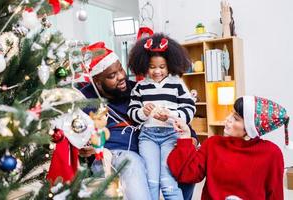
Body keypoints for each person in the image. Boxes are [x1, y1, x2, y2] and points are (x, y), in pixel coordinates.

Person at [78, 41, 197, 200]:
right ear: (97, 82)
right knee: (132, 162)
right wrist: (87, 147)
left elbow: (178, 116)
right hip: (113, 155)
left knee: (185, 165)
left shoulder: (138, 89)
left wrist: (192, 138)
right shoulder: (84, 99)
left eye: (120, 69)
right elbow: (73, 132)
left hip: (151, 144)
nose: (121, 77)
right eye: (112, 76)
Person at [168, 96, 290, 200]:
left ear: (250, 128)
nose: (228, 119)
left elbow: (275, 195)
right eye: (231, 114)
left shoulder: (271, 153)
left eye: (236, 118)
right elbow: (187, 175)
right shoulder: (213, 144)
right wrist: (185, 137)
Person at [127, 33, 196, 200]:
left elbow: (189, 108)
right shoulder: (140, 87)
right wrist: (143, 112)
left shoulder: (177, 83)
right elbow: (132, 112)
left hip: (170, 136)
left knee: (168, 182)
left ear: (170, 65)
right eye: (152, 67)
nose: (157, 71)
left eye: (162, 66)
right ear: (144, 65)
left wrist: (171, 115)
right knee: (150, 182)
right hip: (147, 137)